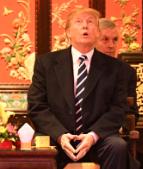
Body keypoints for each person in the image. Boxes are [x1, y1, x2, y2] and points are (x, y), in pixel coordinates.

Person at [28, 8, 128, 169]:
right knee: (39, 146)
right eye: (79, 22)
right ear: (68, 32)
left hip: (97, 138)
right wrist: (60, 135)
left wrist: (93, 136)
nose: (85, 26)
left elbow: (119, 108)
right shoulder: (46, 63)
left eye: (90, 22)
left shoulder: (115, 68)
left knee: (118, 146)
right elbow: (36, 105)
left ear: (97, 32)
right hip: (57, 136)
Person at [96, 18, 139, 125]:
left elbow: (132, 111)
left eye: (115, 40)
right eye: (105, 39)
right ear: (93, 41)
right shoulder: (81, 68)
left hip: (113, 129)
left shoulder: (127, 72)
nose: (111, 45)